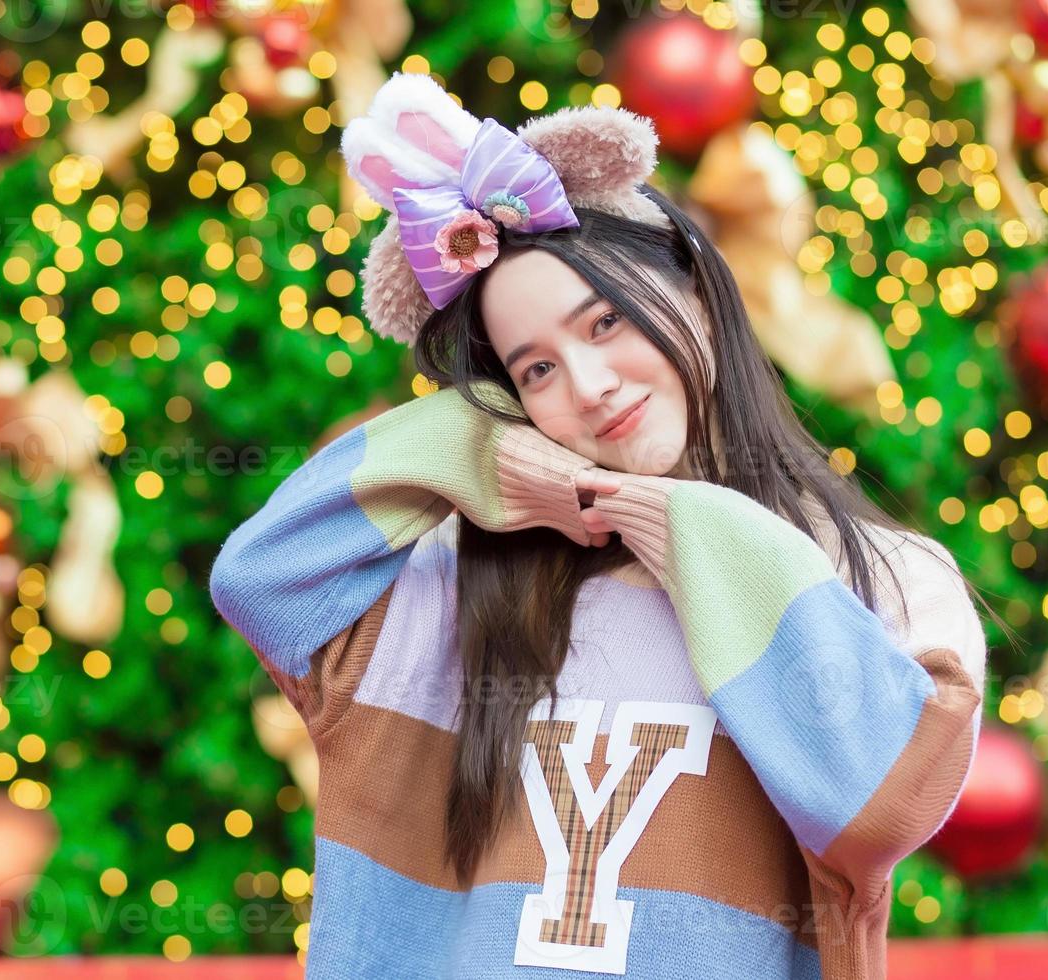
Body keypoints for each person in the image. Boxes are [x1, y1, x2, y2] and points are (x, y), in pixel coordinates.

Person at [209, 71, 994, 979]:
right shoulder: (451, 596)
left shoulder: (881, 576)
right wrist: (471, 442)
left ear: (698, 293)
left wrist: (707, 537)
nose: (588, 386)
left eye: (608, 320)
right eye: (533, 370)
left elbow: (883, 806)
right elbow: (260, 579)